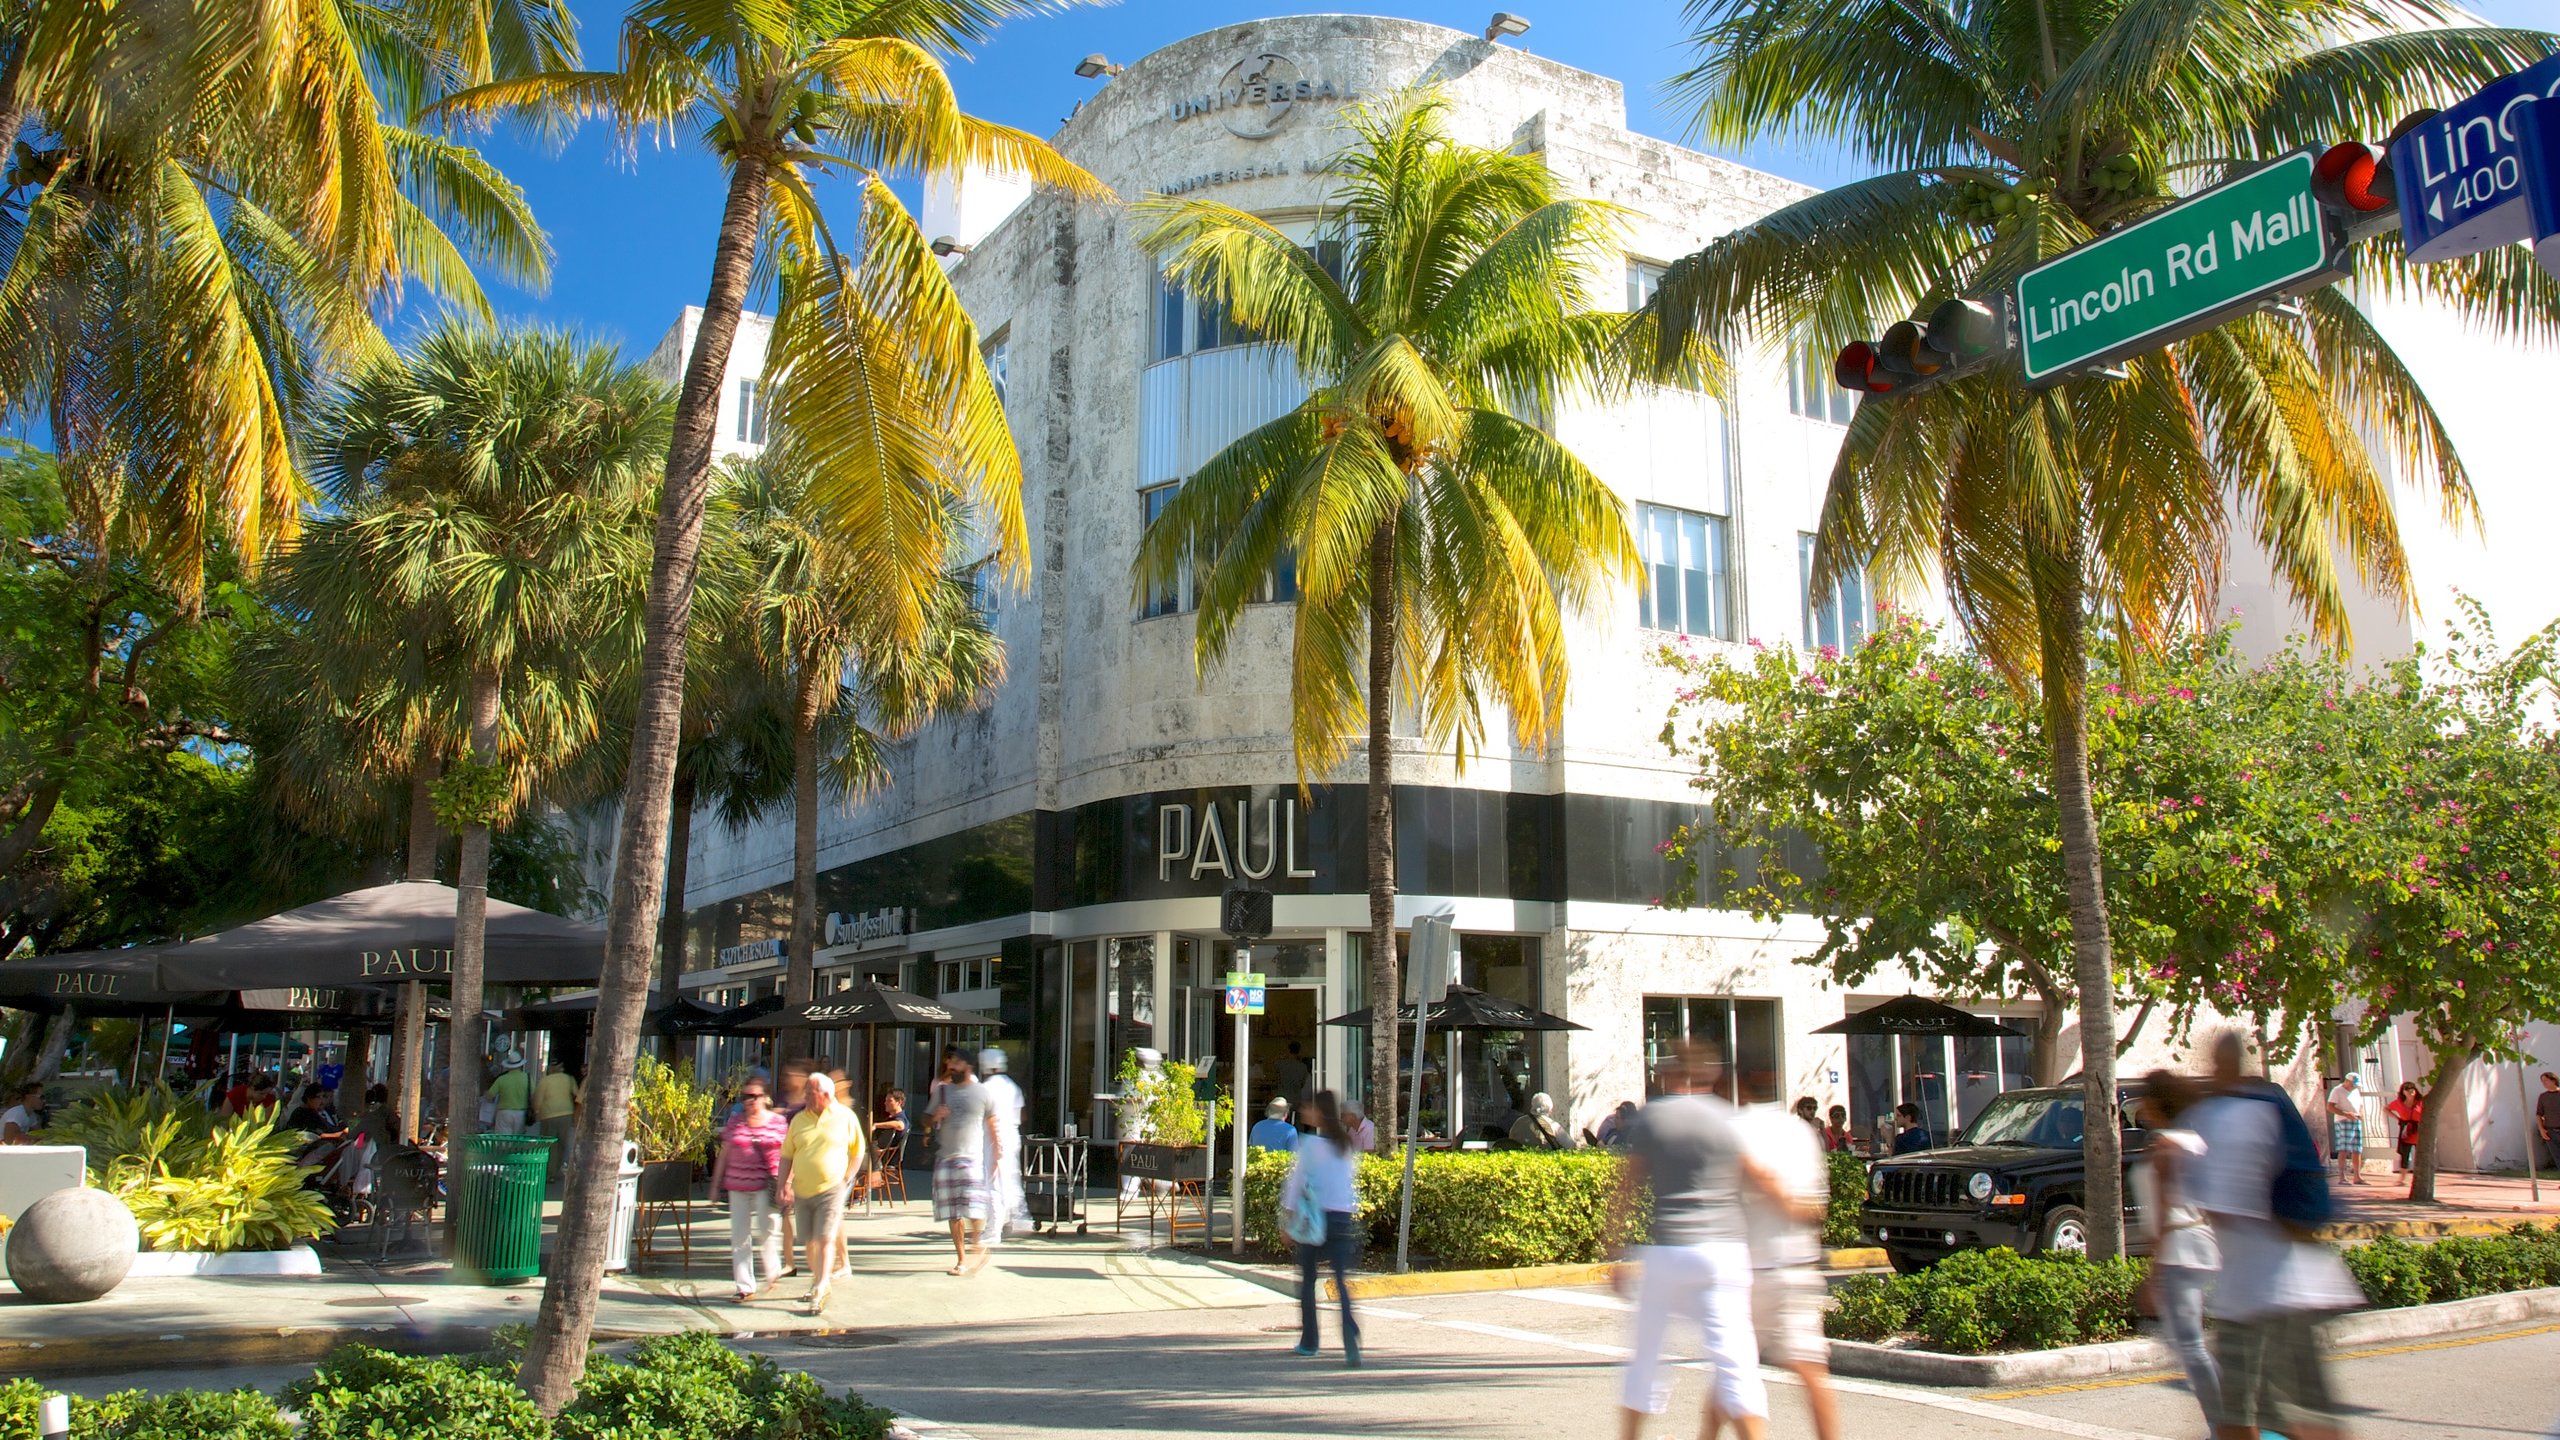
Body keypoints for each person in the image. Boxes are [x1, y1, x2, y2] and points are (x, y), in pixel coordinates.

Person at [2186, 1031, 2361, 1440]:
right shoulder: (2267, 1106)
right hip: (2304, 1281)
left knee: (2239, 1413)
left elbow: (2222, 1207)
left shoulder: (2224, 1115)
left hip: (2258, 1292)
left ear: (2219, 1065)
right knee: (2309, 1413)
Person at [1606, 1040, 1774, 1440]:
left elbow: (1627, 1188)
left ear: (1668, 1075)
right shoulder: (1726, 1119)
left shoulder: (1653, 1120)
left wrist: (1613, 1246)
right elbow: (1756, 1178)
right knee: (1736, 1363)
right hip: (1724, 1254)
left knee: (1646, 1358)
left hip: (1669, 1253)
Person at [1736, 1073, 1840, 1440]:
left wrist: (1770, 1189)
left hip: (1756, 1272)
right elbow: (1817, 1211)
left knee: (1733, 1374)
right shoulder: (1801, 1134)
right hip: (1794, 1268)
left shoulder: (1738, 1132)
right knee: (1809, 1371)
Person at [2135, 1070, 2222, 1435]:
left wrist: (2154, 1274)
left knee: (2189, 1346)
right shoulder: (2197, 1142)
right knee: (2189, 1344)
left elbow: (2165, 1207)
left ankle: (2227, 1425)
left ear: (2156, 1103)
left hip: (2180, 1251)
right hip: (2203, 1244)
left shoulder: (2163, 1147)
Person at [1280, 1089, 1363, 1365]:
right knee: (1341, 1281)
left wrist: (1288, 1222)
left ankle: (1310, 1341)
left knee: (1307, 1282)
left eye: (1308, 1108)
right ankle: (1350, 1337)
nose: (1304, 1112)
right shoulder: (1346, 1145)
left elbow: (1297, 1184)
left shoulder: (1310, 1145)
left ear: (1319, 1112)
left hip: (1315, 1219)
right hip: (1342, 1218)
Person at [777, 1071, 858, 1314]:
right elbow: (786, 1156)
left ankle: (822, 1285)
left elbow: (858, 1151)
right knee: (809, 1241)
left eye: (811, 1093)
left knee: (825, 1238)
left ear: (825, 1095)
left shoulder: (845, 1117)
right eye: (806, 1092)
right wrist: (783, 1184)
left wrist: (846, 1178)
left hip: (832, 1187)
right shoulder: (798, 1120)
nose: (807, 1097)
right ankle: (818, 1280)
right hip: (803, 1189)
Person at [711, 1077, 788, 1304]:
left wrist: (787, 1183)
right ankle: (744, 1286)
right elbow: (724, 1153)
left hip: (766, 1184)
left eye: (754, 1096)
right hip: (738, 1184)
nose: (750, 1101)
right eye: (745, 1096)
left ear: (765, 1098)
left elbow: (788, 1154)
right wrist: (715, 1185)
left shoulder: (777, 1122)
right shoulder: (736, 1121)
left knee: (768, 1231)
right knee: (739, 1236)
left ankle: (772, 1272)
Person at [929, 1050, 996, 1276]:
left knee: (974, 1206)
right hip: (946, 1158)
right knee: (953, 1212)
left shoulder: (982, 1093)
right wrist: (935, 1116)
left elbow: (993, 1122)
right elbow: (924, 1119)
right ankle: (961, 1259)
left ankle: (978, 1243)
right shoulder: (942, 1092)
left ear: (968, 1066)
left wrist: (998, 1152)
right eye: (949, 1062)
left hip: (972, 1158)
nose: (951, 1066)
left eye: (956, 1062)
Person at [978, 1049, 1026, 1247]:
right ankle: (1015, 1218)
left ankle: (993, 1231)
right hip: (1011, 1135)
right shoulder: (1012, 1086)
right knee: (1009, 1179)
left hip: (994, 1139)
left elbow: (991, 1119)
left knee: (993, 1184)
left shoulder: (987, 1088)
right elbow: (1021, 1115)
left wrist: (996, 1146)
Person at [534, 1059, 581, 1166]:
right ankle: (556, 1168)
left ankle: (549, 1172)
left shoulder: (545, 1081)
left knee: (549, 1144)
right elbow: (577, 1093)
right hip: (566, 1114)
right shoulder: (569, 1079)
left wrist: (537, 1112)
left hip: (548, 1115)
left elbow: (538, 1100)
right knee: (561, 1144)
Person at [2325, 1072, 2366, 1186]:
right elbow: (2330, 1106)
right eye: (2353, 1083)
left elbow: (2360, 1105)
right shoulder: (2337, 1091)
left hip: (2355, 1120)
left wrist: (2361, 1114)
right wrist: (2345, 1114)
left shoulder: (2355, 1091)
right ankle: (2342, 1176)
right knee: (2343, 1149)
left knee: (2357, 1149)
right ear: (2347, 1081)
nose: (2354, 1086)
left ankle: (2357, 1176)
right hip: (2343, 1121)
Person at [2385, 1083, 2423, 1175]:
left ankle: (2421, 1175)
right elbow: (2386, 1109)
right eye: (2407, 1089)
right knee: (2404, 1154)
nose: (2410, 1091)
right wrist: (2397, 1118)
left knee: (2422, 1154)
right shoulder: (2399, 1102)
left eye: (2412, 1088)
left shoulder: (2421, 1102)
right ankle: (2402, 1178)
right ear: (2403, 1092)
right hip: (2406, 1129)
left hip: (2419, 1129)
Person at [487, 1054, 531, 1136]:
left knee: (503, 1141)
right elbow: (533, 1095)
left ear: (508, 1066)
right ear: (521, 1065)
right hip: (521, 1113)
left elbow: (490, 1096)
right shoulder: (527, 1078)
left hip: (504, 1113)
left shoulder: (502, 1079)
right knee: (518, 1141)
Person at [1273, 1040, 1311, 1107]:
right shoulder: (1303, 1067)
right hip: (1296, 1098)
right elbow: (1302, 1083)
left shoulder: (1279, 1064)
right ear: (1299, 1051)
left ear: (1288, 1050)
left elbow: (1276, 1079)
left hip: (1282, 1097)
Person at [2535, 1073, 2560, 1173]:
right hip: (2551, 1131)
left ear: (2553, 1080)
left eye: (2546, 1080)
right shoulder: (2543, 1097)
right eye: (2542, 1081)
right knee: (2557, 1157)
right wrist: (2541, 1129)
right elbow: (2539, 1114)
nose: (2544, 1083)